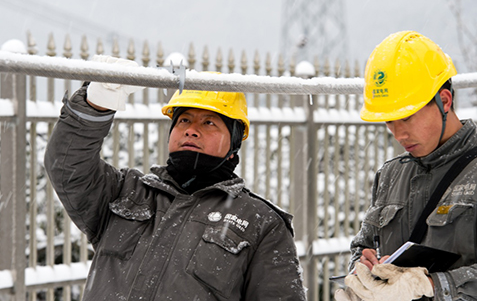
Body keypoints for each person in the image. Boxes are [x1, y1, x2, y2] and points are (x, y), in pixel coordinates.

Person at [44, 55, 306, 301]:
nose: (191, 130)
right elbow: (67, 165)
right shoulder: (126, 193)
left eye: (209, 123)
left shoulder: (261, 223)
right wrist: (95, 104)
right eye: (183, 120)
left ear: (233, 145)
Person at [335, 31, 477, 301]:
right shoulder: (391, 174)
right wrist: (364, 268)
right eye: (389, 121)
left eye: (407, 117)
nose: (398, 134)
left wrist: (431, 286)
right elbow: (364, 246)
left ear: (444, 101)